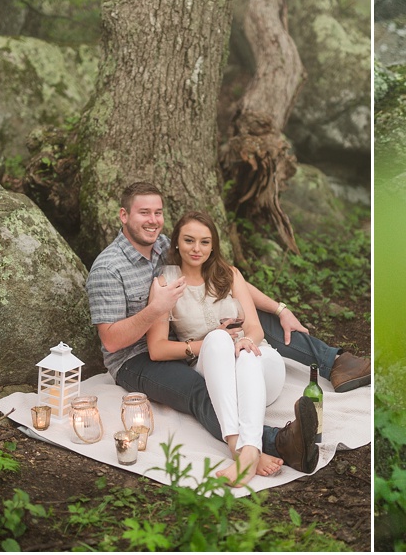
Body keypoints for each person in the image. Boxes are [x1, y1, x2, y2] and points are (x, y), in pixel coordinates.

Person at [87, 182, 373, 479]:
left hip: (184, 336)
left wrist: (279, 308)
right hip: (137, 358)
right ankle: (275, 443)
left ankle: (335, 363)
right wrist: (156, 310)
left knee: (250, 318)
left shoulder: (162, 244)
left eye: (157, 212)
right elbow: (110, 340)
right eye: (143, 212)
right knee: (200, 390)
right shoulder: (109, 268)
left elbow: (228, 278)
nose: (152, 220)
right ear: (123, 215)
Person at [142, 211, 288, 486]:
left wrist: (245, 340)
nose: (197, 249)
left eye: (205, 242)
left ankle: (243, 454)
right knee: (219, 339)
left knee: (244, 353)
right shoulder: (165, 283)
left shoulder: (229, 275)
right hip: (214, 368)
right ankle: (245, 451)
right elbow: (157, 349)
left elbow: (255, 329)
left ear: (213, 246)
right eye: (189, 241)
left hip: (260, 363)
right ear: (176, 243)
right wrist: (210, 341)